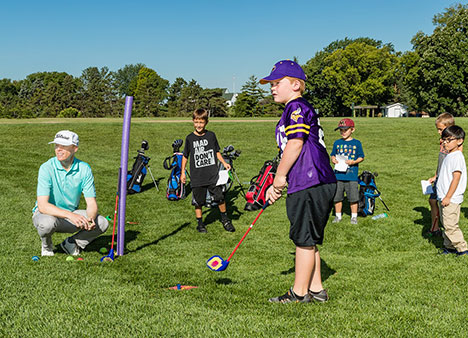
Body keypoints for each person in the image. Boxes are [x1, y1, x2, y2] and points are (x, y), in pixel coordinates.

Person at [261, 60, 337, 303]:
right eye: (270, 84)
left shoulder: (296, 107)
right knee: (308, 238)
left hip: (310, 180)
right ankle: (316, 289)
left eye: (277, 83)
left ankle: (299, 293)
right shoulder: (293, 108)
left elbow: (295, 144)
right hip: (312, 180)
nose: (272, 88)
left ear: (295, 85)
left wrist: (279, 179)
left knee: (303, 239)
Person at [32, 130, 109, 256]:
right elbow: (43, 206)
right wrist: (70, 215)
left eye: (63, 146)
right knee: (47, 224)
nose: (58, 149)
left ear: (75, 148)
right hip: (46, 214)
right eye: (57, 146)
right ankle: (47, 246)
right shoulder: (46, 167)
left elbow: (91, 203)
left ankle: (71, 243)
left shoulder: (84, 168)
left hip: (69, 216)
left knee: (102, 223)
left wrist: (90, 218)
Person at [180, 108, 235, 233]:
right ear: (193, 122)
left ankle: (225, 219)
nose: (198, 125)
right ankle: (200, 223)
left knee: (220, 197)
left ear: (206, 122)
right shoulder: (189, 138)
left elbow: (216, 152)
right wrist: (183, 172)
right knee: (198, 202)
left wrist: (224, 163)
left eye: (201, 122)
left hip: (212, 175)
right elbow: (185, 156)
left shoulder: (211, 135)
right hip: (197, 176)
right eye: (196, 122)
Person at [437, 125, 468, 256]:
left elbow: (456, 178)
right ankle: (449, 247)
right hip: (443, 197)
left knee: (451, 225)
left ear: (459, 141)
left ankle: (463, 249)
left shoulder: (457, 157)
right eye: (444, 139)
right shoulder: (449, 155)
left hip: (450, 199)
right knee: (446, 223)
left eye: (449, 140)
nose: (445, 142)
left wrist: (448, 197)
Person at [330, 118, 365, 225]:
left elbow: (361, 157)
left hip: (351, 176)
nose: (343, 132)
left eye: (345, 130)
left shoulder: (357, 143)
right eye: (341, 130)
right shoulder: (337, 143)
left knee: (353, 198)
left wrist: (353, 162)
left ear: (352, 130)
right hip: (338, 176)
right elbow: (332, 155)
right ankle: (338, 216)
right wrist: (333, 159)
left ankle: (354, 217)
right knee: (337, 198)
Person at [427, 113, 455, 236]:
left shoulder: (455, 144)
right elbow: (441, 162)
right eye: (437, 129)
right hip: (440, 177)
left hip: (447, 179)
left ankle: (448, 228)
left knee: (443, 203)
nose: (439, 132)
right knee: (432, 200)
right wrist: (435, 175)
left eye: (441, 129)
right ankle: (435, 228)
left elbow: (453, 162)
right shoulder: (442, 142)